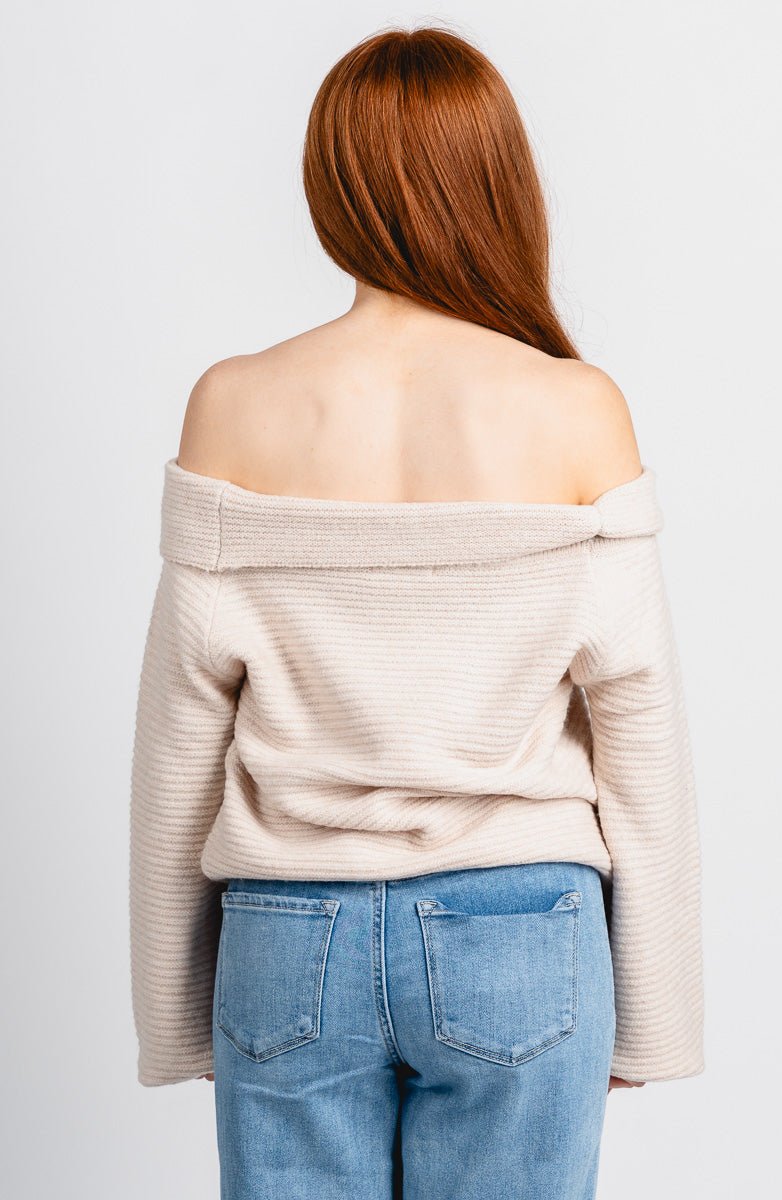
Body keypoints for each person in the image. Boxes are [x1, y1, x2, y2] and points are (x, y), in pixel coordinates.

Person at [129, 24, 704, 1200]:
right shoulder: (577, 408)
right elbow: (638, 737)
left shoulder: (231, 403)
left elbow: (178, 741)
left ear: (328, 185)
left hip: (288, 937)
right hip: (521, 931)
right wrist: (652, 1017)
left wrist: (175, 1013)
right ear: (498, 182)